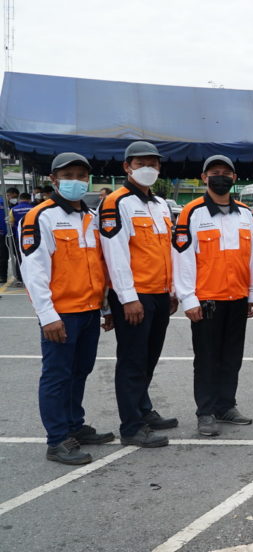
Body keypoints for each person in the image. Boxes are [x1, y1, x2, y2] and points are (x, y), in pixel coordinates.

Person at [20, 153, 114, 464]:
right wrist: (48, 317)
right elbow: (34, 272)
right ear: (53, 179)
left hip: (88, 311)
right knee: (57, 376)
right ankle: (57, 439)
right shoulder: (40, 217)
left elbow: (97, 266)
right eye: (68, 174)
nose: (75, 180)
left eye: (81, 175)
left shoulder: (89, 217)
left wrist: (103, 309)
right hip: (62, 314)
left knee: (80, 372)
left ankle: (75, 426)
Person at [99, 141, 178, 449]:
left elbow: (167, 250)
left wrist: (171, 290)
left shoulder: (160, 204)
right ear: (127, 167)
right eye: (142, 163)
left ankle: (143, 410)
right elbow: (114, 253)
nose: (149, 168)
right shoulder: (116, 203)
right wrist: (127, 297)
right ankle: (131, 425)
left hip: (159, 293)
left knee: (149, 357)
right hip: (134, 296)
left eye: (154, 163)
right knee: (132, 360)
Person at [173, 154, 253, 437]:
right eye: (214, 172)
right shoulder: (192, 212)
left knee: (232, 356)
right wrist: (188, 298)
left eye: (226, 172)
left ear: (234, 178)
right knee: (207, 358)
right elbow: (182, 258)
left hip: (237, 298)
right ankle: (206, 412)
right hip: (207, 299)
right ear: (204, 177)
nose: (220, 176)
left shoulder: (246, 213)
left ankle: (226, 405)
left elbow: (250, 258)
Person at [10, 193, 33, 285]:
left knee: (19, 257)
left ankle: (20, 279)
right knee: (32, 256)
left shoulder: (13, 210)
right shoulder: (34, 208)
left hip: (18, 236)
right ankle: (32, 277)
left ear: (20, 199)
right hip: (32, 236)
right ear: (29, 199)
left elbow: (11, 224)